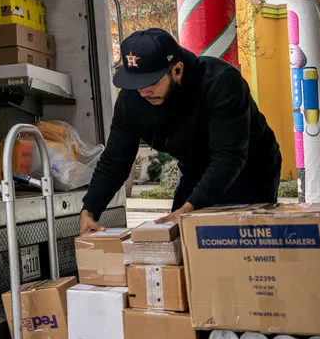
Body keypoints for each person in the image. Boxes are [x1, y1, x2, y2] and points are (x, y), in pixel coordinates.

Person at [80, 28, 282, 233]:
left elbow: (229, 157)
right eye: (136, 84)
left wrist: (190, 207)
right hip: (196, 169)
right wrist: (90, 210)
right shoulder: (131, 99)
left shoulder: (221, 82)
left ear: (177, 70)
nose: (143, 92)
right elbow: (115, 161)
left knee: (242, 240)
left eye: (151, 82)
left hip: (250, 166)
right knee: (180, 235)